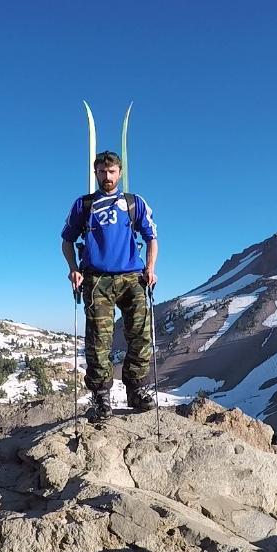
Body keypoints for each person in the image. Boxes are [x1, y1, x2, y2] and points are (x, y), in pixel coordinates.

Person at [61, 150, 159, 421]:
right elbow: (67, 240)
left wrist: (150, 268)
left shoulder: (134, 203)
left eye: (112, 171)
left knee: (141, 335)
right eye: (102, 171)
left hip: (133, 278)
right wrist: (73, 269)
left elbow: (151, 237)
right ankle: (101, 396)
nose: (107, 176)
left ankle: (136, 390)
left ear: (120, 173)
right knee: (98, 341)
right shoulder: (84, 205)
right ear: (95, 173)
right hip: (96, 280)